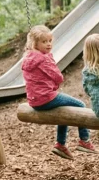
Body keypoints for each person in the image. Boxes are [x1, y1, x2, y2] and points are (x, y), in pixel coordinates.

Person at [21, 25, 94, 159]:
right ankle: (84, 140)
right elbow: (58, 77)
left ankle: (60, 145)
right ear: (35, 43)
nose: (48, 44)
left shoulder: (28, 58)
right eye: (44, 42)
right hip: (46, 97)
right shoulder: (43, 58)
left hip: (34, 100)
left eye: (50, 41)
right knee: (80, 105)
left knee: (63, 111)